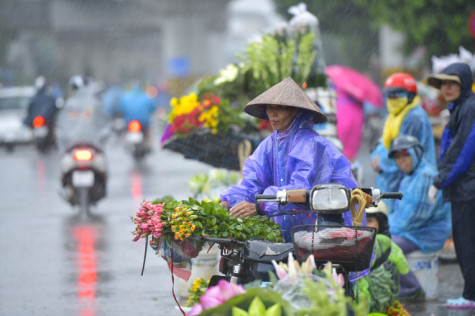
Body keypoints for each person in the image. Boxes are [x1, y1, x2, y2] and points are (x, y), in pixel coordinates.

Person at [219, 77, 359, 243]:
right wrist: (228, 202)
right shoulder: (270, 144)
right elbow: (252, 183)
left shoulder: (310, 144)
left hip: (320, 233)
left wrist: (261, 206)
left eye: (280, 108)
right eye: (270, 108)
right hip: (287, 233)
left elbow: (301, 190)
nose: (273, 113)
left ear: (295, 111)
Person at [426, 62, 475, 309]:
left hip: (468, 189)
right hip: (463, 188)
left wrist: (438, 181)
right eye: (443, 83)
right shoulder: (460, 108)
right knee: (464, 241)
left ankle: (470, 295)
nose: (446, 88)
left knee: (467, 242)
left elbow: (461, 153)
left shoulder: (469, 108)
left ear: (463, 84)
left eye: (452, 83)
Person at [387, 135, 451, 301]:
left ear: (416, 154)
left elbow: (415, 218)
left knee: (387, 246)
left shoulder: (425, 176)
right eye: (397, 157)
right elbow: (400, 212)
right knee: (380, 241)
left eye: (405, 155)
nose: (401, 161)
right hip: (412, 231)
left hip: (425, 233)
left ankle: (412, 288)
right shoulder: (409, 177)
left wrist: (386, 230)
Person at [371, 73, 437, 213]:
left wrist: (381, 162)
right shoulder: (395, 114)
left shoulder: (414, 117)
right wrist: (376, 156)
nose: (392, 99)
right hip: (395, 180)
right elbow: (385, 142)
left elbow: (403, 153)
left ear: (411, 96)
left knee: (403, 225)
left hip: (412, 181)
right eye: (389, 95)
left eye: (397, 95)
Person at [355, 201, 410, 314]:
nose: (365, 225)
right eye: (363, 221)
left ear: (381, 223)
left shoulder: (380, 243)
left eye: (369, 221)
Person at [56, 75, 110, 154]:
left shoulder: (69, 104)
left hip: (82, 145)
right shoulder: (94, 103)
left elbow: (104, 126)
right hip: (88, 145)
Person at [118, 82, 158, 149]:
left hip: (129, 121)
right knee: (147, 133)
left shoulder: (126, 97)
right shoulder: (146, 97)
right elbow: (153, 108)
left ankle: (126, 144)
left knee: (125, 132)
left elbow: (121, 108)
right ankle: (149, 145)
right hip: (143, 122)